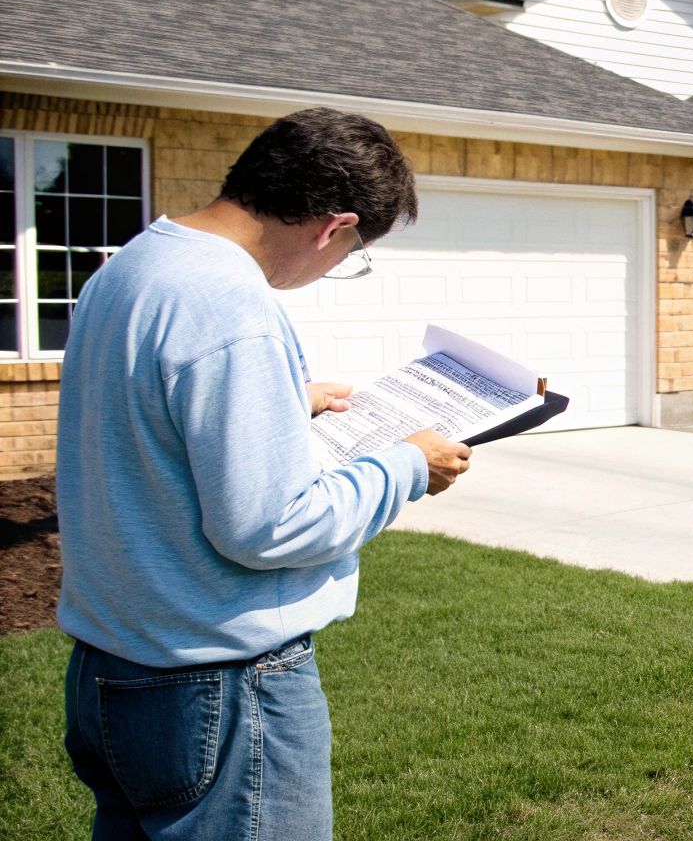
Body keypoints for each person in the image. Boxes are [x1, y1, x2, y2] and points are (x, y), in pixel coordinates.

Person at [55, 107, 473, 839]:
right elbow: (272, 526)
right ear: (332, 226)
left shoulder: (138, 264)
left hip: (113, 664)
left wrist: (283, 403)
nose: (338, 265)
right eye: (352, 252)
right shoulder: (232, 306)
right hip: (218, 683)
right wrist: (408, 464)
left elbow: (142, 413)